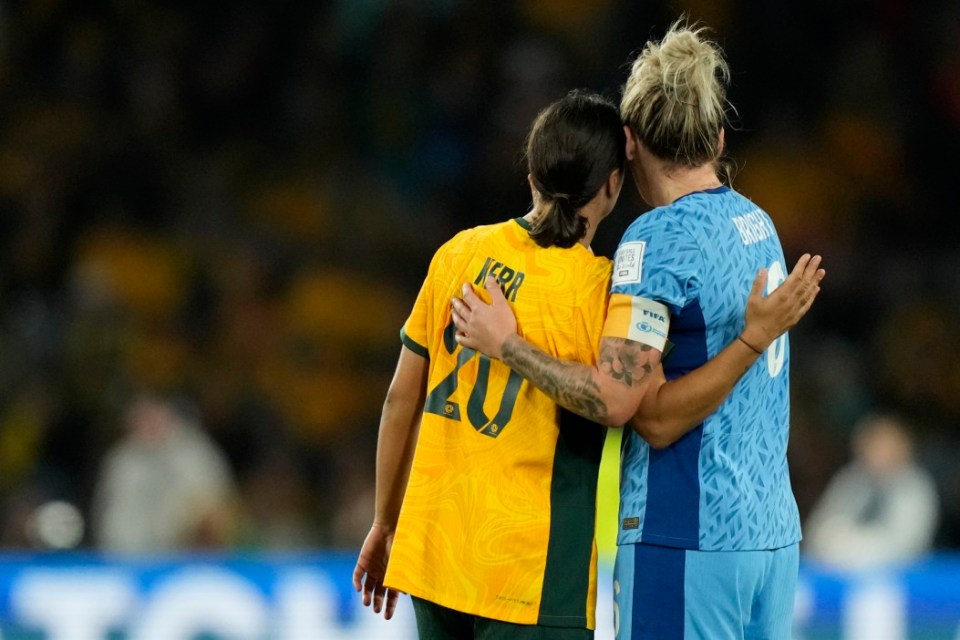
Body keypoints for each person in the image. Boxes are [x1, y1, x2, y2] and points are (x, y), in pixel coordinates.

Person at [353, 88, 821, 639]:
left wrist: (386, 523)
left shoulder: (457, 254)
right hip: (532, 574)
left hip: (434, 557)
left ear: (531, 174)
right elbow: (620, 399)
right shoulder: (600, 292)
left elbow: (399, 399)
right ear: (611, 185)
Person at [90, 392, 239, 553]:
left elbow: (216, 509)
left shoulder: (197, 454)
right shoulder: (121, 459)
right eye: (141, 417)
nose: (148, 423)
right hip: (126, 556)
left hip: (184, 558)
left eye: (154, 414)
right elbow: (108, 513)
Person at [803, 411, 940, 571]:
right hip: (838, 572)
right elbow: (818, 528)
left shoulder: (916, 486)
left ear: (903, 448)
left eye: (884, 447)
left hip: (902, 579)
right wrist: (835, 540)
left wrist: (856, 545)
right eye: (872, 445)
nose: (877, 453)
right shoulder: (850, 478)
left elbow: (908, 544)